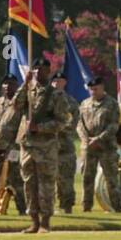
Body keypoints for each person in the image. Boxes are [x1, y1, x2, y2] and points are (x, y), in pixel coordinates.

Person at [12, 56, 73, 233]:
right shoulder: (28, 91)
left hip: (46, 147)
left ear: (49, 71)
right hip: (28, 146)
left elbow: (62, 121)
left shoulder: (56, 95)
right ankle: (34, 221)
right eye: (36, 70)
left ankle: (45, 221)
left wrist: (41, 127)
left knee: (46, 184)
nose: (39, 73)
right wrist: (25, 84)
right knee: (29, 184)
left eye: (43, 70)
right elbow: (16, 105)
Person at [77, 76, 121, 212]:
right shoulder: (84, 104)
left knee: (111, 179)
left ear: (102, 88)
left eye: (96, 89)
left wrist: (98, 139)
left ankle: (116, 208)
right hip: (88, 147)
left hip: (106, 147)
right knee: (87, 178)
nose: (93, 92)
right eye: (91, 89)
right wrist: (86, 140)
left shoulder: (112, 104)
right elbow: (79, 125)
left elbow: (114, 125)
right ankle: (86, 207)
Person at [0, 78, 26, 216]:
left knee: (16, 180)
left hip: (13, 149)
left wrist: (10, 148)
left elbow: (22, 128)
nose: (8, 86)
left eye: (11, 84)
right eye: (5, 84)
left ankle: (22, 209)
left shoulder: (19, 106)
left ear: (16, 87)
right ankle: (0, 208)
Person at [51, 70, 80, 214]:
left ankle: (67, 207)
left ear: (65, 83)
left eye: (60, 81)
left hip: (65, 147)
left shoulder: (71, 102)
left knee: (66, 180)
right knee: (49, 180)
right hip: (48, 147)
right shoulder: (45, 101)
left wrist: (53, 128)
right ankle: (49, 207)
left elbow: (72, 124)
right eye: (55, 81)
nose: (57, 83)